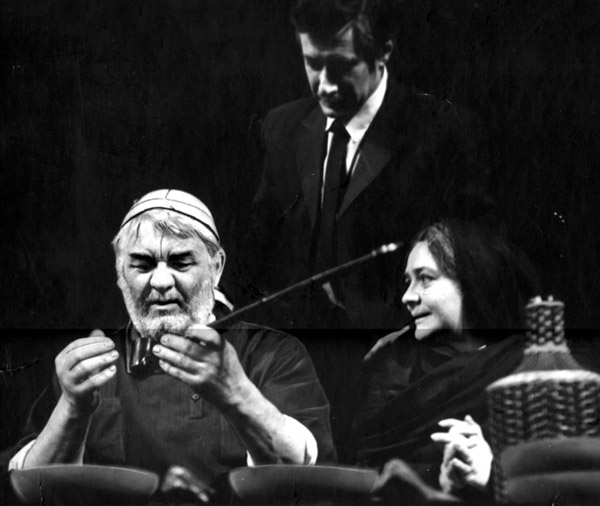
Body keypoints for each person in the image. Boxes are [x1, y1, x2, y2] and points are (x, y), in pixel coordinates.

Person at [6, 189, 336, 487]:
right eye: (143, 265)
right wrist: (72, 408)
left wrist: (238, 394)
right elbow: (29, 488)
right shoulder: (89, 365)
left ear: (216, 267)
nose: (161, 281)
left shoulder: (273, 354)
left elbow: (308, 477)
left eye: (180, 262)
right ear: (120, 273)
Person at [235, 0, 495, 330]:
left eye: (343, 66)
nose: (325, 85)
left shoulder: (447, 132)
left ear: (384, 51)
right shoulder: (280, 127)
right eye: (313, 63)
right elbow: (257, 249)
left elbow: (473, 266)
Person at [353, 220, 539, 499]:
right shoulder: (396, 363)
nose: (407, 297)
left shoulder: (527, 369)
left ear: (474, 282)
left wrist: (490, 474)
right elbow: (364, 463)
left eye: (426, 278)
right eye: (408, 281)